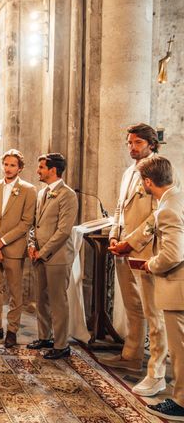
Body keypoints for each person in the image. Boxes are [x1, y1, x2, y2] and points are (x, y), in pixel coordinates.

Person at [102, 123, 167, 397]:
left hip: (145, 251)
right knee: (132, 306)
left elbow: (158, 214)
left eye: (138, 143)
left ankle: (156, 373)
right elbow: (120, 207)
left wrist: (133, 241)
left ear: (151, 144)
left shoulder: (158, 170)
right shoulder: (131, 171)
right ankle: (131, 355)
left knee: (154, 313)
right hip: (124, 248)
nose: (132, 147)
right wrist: (115, 236)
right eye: (129, 142)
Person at [136, 156, 184, 421]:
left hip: (177, 286)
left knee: (180, 349)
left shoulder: (166, 208)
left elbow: (173, 254)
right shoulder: (178, 197)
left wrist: (151, 265)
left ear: (148, 181)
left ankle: (181, 402)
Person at [0, 149, 36, 348]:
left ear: (20, 168)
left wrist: (2, 242)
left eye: (13, 165)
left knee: (15, 291)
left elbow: (26, 222)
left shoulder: (29, 190)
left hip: (13, 249)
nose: (8, 168)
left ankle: (12, 330)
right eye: (6, 164)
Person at [26, 153, 78, 359]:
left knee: (58, 300)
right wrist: (31, 244)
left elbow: (64, 231)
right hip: (38, 254)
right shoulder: (42, 193)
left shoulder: (68, 195)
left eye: (41, 167)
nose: (38, 171)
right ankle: (44, 336)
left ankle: (61, 344)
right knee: (42, 299)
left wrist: (43, 251)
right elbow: (34, 224)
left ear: (53, 170)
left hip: (57, 257)